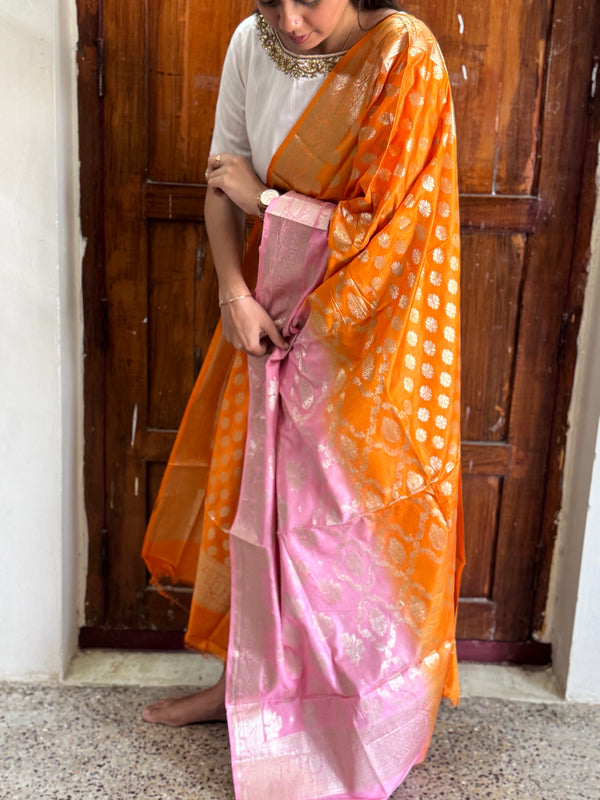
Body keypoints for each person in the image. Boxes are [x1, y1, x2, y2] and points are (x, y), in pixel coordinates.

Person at [142, 0, 464, 797]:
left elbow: (391, 230)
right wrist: (232, 294)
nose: (287, 20)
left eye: (309, 0)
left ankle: (358, 715)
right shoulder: (251, 42)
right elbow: (223, 175)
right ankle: (244, 689)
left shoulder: (403, 58)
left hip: (370, 337)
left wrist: (267, 203)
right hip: (267, 312)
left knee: (345, 526)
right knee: (261, 511)